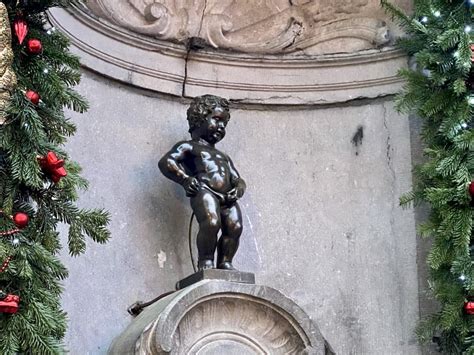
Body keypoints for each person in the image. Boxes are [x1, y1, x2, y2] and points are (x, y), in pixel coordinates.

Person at [159, 95, 246, 271]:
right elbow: (167, 162)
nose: (221, 127)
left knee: (235, 227)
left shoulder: (224, 156)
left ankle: (225, 262)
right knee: (212, 223)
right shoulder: (189, 147)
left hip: (228, 197)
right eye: (217, 119)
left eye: (224, 124)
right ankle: (205, 261)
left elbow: (237, 178)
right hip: (204, 190)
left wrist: (238, 188)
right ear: (199, 118)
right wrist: (184, 179)